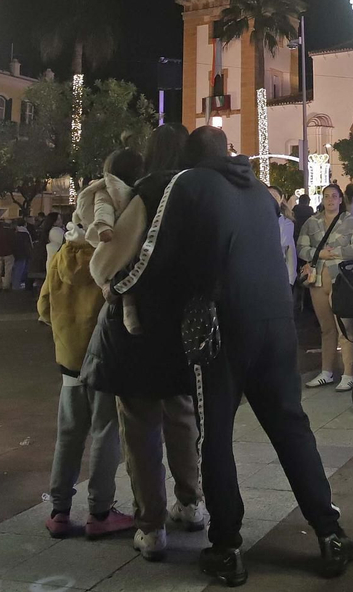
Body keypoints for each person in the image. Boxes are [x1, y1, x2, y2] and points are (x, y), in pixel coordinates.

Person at [112, 124, 353, 585]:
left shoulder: (188, 184)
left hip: (223, 328)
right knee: (291, 426)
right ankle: (329, 532)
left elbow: (152, 253)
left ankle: (227, 545)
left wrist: (117, 286)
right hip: (278, 325)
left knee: (215, 436)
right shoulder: (262, 195)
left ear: (190, 154)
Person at [84, 128, 207, 563]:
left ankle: (151, 525)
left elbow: (114, 254)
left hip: (140, 327)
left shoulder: (147, 191)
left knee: (139, 428)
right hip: (185, 325)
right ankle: (191, 505)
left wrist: (105, 278)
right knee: (182, 416)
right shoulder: (201, 191)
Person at [36, 161, 136, 541]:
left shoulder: (61, 256)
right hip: (102, 361)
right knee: (105, 434)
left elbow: (43, 309)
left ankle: (59, 511)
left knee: (68, 436)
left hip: (68, 364)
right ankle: (100, 511)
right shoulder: (106, 260)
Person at [296, 184, 353, 392]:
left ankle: (349, 372)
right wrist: (319, 255)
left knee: (345, 327)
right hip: (317, 282)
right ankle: (326, 370)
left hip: (342, 281)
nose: (330, 200)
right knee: (326, 328)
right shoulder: (312, 222)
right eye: (327, 196)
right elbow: (301, 247)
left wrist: (334, 252)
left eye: (334, 196)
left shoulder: (351, 222)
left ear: (340, 199)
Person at [270, 186, 298, 284]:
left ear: (281, 199)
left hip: (278, 273)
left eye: (274, 196)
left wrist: (290, 280)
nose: (271, 200)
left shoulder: (286, 222)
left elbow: (287, 247)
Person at [0, 219, 15, 290]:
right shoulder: (10, 232)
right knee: (8, 270)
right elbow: (13, 243)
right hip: (8, 253)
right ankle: (6, 286)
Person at [11, 218, 32, 291]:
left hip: (17, 253)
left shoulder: (15, 232)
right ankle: (16, 285)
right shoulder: (25, 233)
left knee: (17, 269)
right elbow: (28, 245)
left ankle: (16, 284)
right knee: (20, 269)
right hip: (23, 253)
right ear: (25, 224)